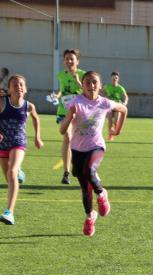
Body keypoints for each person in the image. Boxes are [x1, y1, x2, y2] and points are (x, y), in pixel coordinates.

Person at [60, 71, 127, 236]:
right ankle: (90, 216)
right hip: (77, 149)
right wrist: (70, 116)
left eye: (94, 82)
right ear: (82, 85)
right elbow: (62, 130)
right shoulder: (75, 102)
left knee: (89, 171)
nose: (91, 86)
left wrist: (117, 130)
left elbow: (123, 109)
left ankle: (102, 193)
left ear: (100, 85)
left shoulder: (104, 103)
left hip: (96, 147)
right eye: (87, 82)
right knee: (84, 186)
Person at [0, 75, 43, 225]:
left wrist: (37, 137)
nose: (18, 87)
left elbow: (36, 119)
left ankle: (9, 212)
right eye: (14, 85)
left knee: (11, 171)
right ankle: (19, 173)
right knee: (9, 176)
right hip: (2, 143)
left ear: (25, 89)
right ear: (9, 89)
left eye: (21, 84)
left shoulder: (29, 106)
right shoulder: (2, 102)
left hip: (18, 142)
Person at [54, 49, 85, 185]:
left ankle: (76, 165)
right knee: (67, 137)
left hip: (79, 112)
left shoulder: (83, 75)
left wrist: (78, 81)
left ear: (77, 61)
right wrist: (57, 95)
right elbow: (61, 89)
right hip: (63, 111)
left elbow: (89, 91)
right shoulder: (60, 75)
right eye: (67, 58)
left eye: (72, 59)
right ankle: (66, 173)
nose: (69, 61)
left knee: (77, 140)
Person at [102, 71, 128, 141]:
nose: (115, 80)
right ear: (111, 79)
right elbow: (102, 92)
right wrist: (105, 97)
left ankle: (115, 131)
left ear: (118, 79)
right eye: (113, 78)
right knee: (110, 121)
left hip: (117, 106)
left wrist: (125, 103)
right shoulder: (107, 86)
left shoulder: (120, 88)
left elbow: (125, 96)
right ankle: (110, 134)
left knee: (116, 121)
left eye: (116, 78)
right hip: (110, 105)